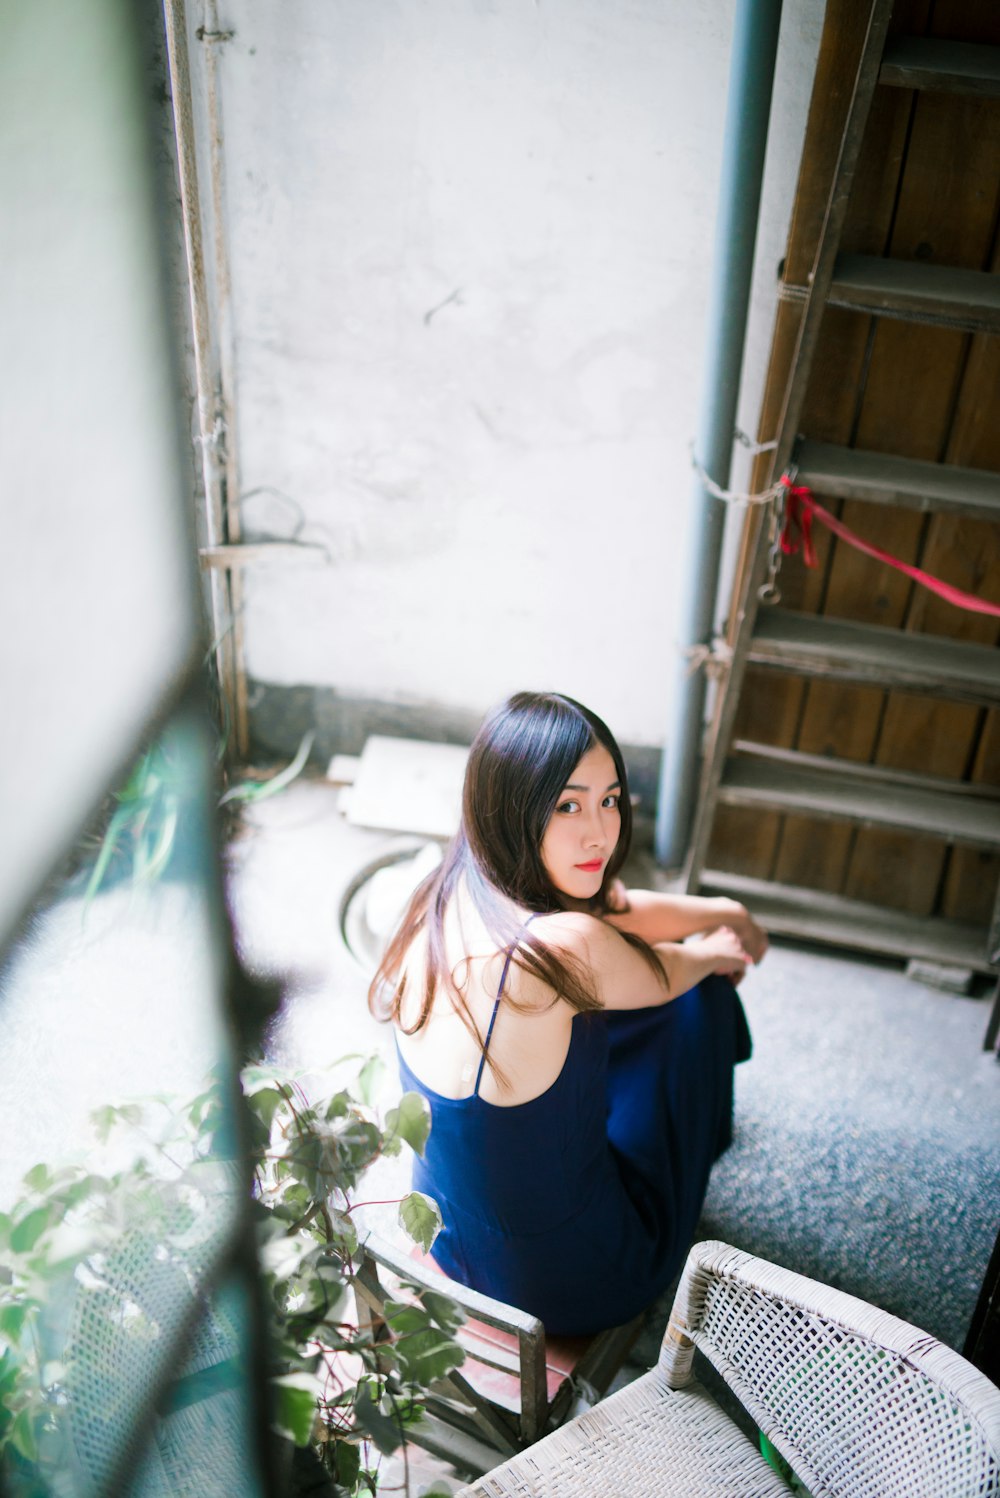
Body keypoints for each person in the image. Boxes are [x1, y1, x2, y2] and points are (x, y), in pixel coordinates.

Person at [369, 691, 768, 1336]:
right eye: (567, 805)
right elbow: (662, 970)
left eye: (609, 799)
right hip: (569, 1283)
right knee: (702, 995)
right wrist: (719, 948)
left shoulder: (448, 883)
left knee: (629, 985)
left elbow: (618, 915)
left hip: (450, 1239)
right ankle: (695, 1159)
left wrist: (725, 910)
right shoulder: (558, 947)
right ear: (515, 807)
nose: (601, 832)